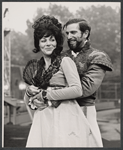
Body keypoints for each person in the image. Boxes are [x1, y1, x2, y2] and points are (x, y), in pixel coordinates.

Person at [24, 15, 96, 147]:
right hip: (43, 118)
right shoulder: (37, 68)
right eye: (43, 40)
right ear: (38, 44)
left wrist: (46, 94)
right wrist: (29, 92)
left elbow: (77, 90)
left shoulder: (65, 61)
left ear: (57, 42)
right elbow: (28, 102)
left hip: (65, 115)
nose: (48, 44)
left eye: (52, 40)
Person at [62, 18, 113, 147]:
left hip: (84, 110)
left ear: (85, 33)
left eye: (73, 32)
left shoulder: (98, 56)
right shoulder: (60, 56)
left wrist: (52, 93)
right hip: (61, 112)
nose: (69, 36)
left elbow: (85, 89)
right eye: (67, 33)